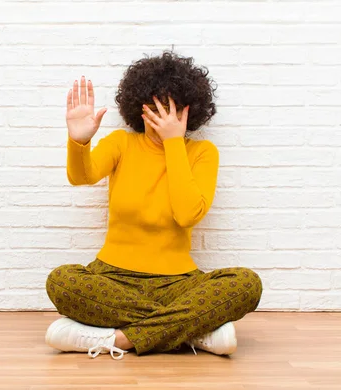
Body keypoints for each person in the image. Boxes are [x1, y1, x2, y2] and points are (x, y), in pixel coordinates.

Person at [45, 50, 263, 360]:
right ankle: (196, 331)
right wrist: (79, 141)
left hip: (178, 284)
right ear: (140, 106)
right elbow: (82, 177)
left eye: (170, 108)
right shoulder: (121, 143)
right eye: (154, 106)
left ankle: (119, 339)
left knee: (247, 284)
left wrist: (174, 143)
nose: (161, 116)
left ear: (187, 111)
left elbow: (187, 215)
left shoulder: (202, 152)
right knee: (61, 281)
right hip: (112, 278)